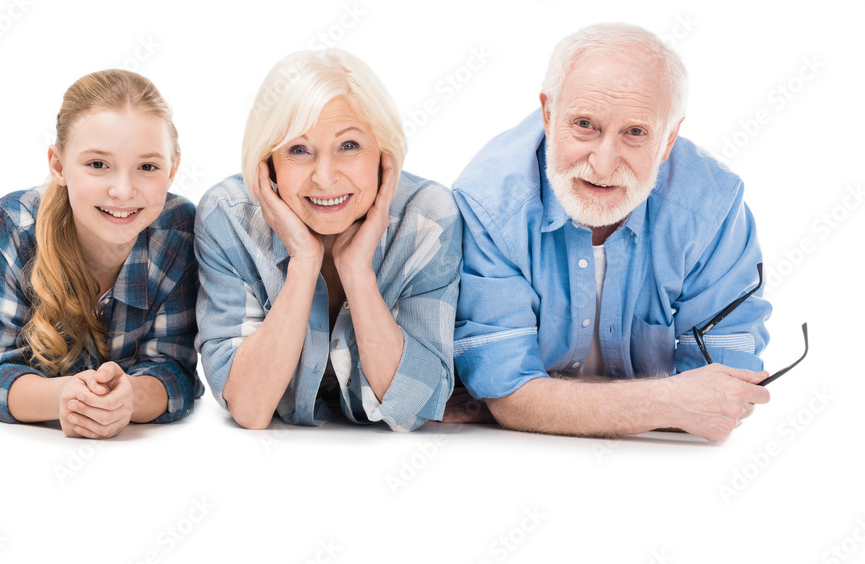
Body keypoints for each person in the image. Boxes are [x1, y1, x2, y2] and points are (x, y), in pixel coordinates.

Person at [452, 23, 772, 442]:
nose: (603, 166)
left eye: (635, 133)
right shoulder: (490, 204)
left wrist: (544, 400)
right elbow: (510, 396)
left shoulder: (712, 207)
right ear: (548, 114)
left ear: (669, 138)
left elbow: (722, 398)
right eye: (585, 124)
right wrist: (669, 399)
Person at [196, 49, 461, 431]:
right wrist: (304, 262)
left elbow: (417, 407)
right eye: (298, 150)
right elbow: (249, 408)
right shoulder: (228, 218)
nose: (324, 177)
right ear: (268, 164)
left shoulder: (427, 220)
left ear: (383, 153)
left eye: (348, 146)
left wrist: (357, 271)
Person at [0, 69, 202, 438]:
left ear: (172, 169)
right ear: (58, 165)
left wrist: (130, 398)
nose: (123, 191)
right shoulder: (17, 223)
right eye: (98, 164)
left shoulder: (178, 231)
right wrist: (67, 397)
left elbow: (174, 371)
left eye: (147, 167)